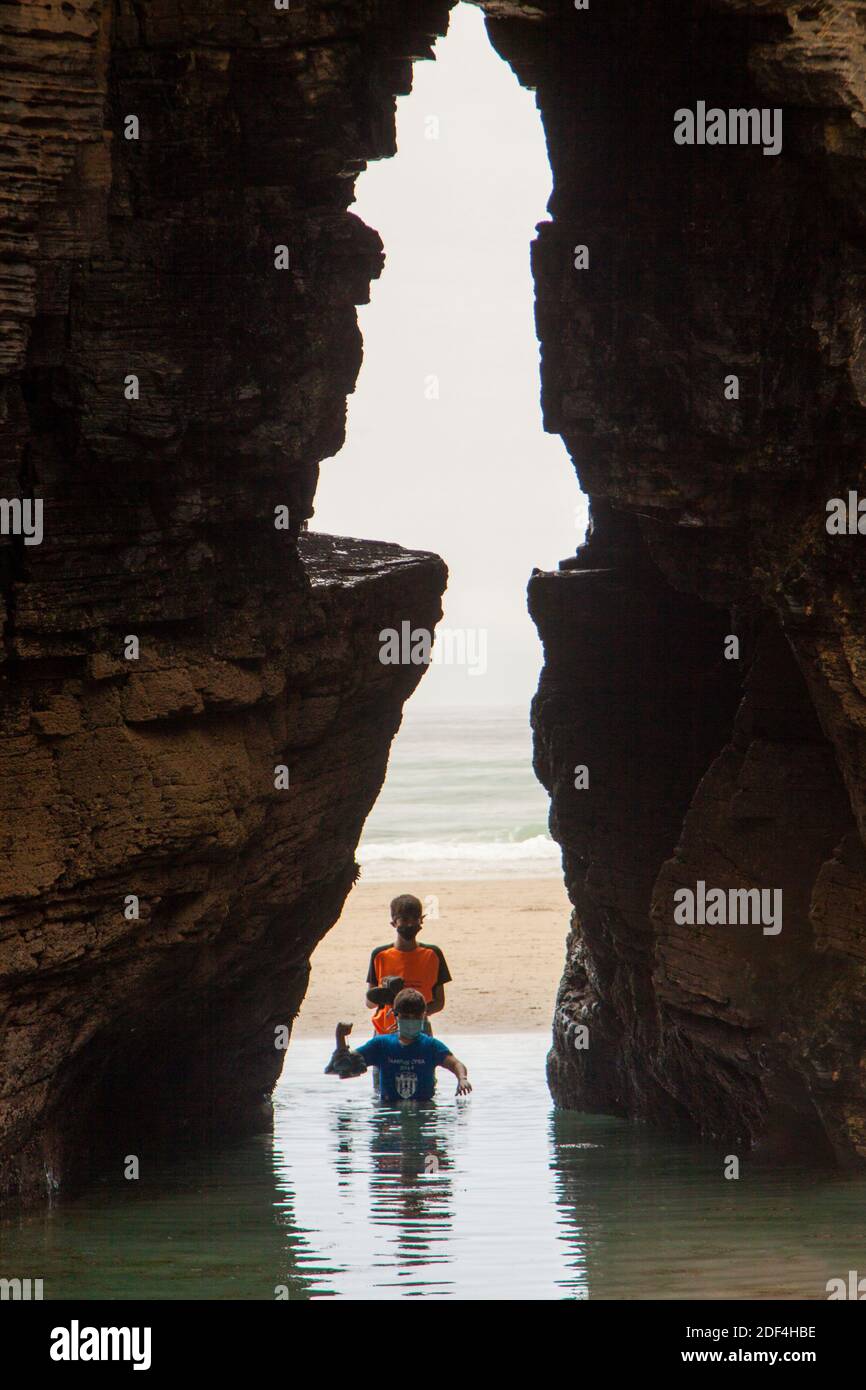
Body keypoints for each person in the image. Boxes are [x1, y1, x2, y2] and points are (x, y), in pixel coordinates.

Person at [325, 988, 472, 1102]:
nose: (411, 1020)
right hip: (388, 1113)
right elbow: (344, 1066)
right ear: (396, 1016)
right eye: (406, 1017)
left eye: (415, 1017)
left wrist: (462, 1079)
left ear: (423, 1016)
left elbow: (456, 1064)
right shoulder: (381, 1045)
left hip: (424, 1110)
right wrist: (340, 1039)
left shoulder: (431, 1046)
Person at [366, 893, 451, 1035]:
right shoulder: (380, 955)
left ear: (421, 920)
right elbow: (370, 1003)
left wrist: (413, 1015)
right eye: (404, 919)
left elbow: (439, 1002)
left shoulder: (433, 954)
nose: (410, 924)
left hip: (420, 1030)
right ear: (393, 923)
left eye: (415, 919)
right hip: (385, 1029)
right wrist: (384, 996)